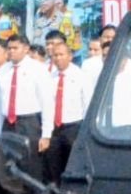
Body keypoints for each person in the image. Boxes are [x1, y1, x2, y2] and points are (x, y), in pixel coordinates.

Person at [0, 33, 48, 194]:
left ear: (26, 48)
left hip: (29, 123)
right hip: (9, 124)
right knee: (10, 171)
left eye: (15, 48)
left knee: (31, 170)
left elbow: (47, 102)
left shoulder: (37, 69)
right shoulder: (3, 70)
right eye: (9, 48)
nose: (11, 52)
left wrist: (46, 134)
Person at [40, 34, 93, 183]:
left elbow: (87, 104)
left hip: (74, 127)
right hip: (54, 129)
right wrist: (46, 134)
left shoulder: (81, 76)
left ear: (70, 56)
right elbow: (47, 106)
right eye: (55, 55)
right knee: (53, 169)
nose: (57, 58)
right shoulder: (49, 77)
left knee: (72, 167)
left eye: (61, 55)